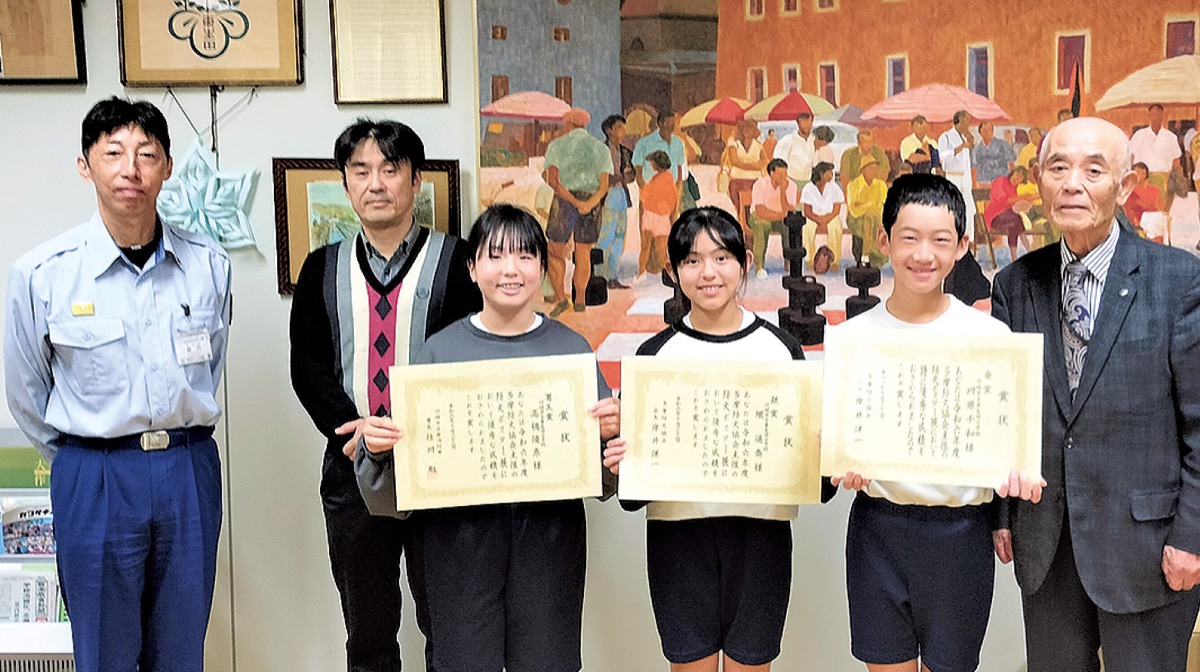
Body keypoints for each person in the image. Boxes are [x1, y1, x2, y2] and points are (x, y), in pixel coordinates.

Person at [4, 97, 232, 672]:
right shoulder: (43, 274)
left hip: (187, 466)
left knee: (181, 650)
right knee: (104, 652)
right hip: (96, 474)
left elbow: (208, 367)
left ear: (167, 167)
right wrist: (81, 459)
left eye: (146, 154)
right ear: (85, 166)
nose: (131, 169)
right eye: (113, 153)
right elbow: (27, 391)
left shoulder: (209, 265)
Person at [354, 204, 620, 672]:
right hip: (458, 541)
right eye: (495, 256)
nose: (510, 270)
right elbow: (400, 488)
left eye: (525, 256)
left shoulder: (571, 351)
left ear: (543, 267)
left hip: (548, 539)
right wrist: (377, 451)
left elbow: (602, 476)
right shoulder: (439, 353)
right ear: (472, 268)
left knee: (548, 663)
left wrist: (612, 441)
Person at [991, 117, 1200, 672]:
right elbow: (1006, 412)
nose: (1072, 184)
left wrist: (1194, 536)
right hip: (1047, 545)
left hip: (1149, 548)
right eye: (1058, 167)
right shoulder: (1015, 284)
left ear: (1125, 185)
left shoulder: (1179, 281)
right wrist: (1003, 513)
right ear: (1039, 180)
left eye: (1093, 170)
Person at [602, 206, 836, 672]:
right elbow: (632, 495)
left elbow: (817, 482)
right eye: (692, 260)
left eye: (721, 258)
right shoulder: (653, 357)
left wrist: (825, 452)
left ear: (744, 263)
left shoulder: (781, 348)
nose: (708, 272)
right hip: (678, 543)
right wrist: (622, 456)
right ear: (673, 272)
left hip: (761, 539)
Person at [289, 118, 481, 672]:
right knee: (368, 632)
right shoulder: (321, 268)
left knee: (449, 627)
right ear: (346, 184)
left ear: (416, 181)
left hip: (442, 471)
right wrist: (351, 432)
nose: (376, 183)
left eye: (391, 169)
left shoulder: (459, 263)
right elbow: (307, 367)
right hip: (352, 467)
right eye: (361, 171)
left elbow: (474, 359)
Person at [832, 173, 1044, 672]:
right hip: (877, 530)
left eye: (940, 240)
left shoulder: (990, 338)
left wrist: (1018, 476)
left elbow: (1010, 438)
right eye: (909, 238)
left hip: (960, 535)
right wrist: (838, 461)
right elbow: (839, 439)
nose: (923, 255)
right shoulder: (852, 339)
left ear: (962, 246)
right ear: (884, 240)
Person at [543, 107, 612, 314]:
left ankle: (561, 299)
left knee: (554, 251)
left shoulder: (557, 145)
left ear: (568, 124)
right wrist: (588, 204)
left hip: (564, 201)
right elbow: (604, 186)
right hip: (591, 202)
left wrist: (573, 201)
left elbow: (553, 181)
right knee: (583, 254)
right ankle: (580, 300)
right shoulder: (600, 148)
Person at [634, 111, 687, 275]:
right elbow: (638, 172)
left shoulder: (678, 143)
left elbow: (679, 170)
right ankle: (649, 267)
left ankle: (666, 267)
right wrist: (647, 193)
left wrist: (677, 193)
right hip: (650, 196)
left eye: (674, 122)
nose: (673, 125)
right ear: (661, 123)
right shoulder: (645, 143)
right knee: (647, 235)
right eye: (670, 122)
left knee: (668, 233)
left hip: (670, 195)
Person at [597, 114, 635, 289]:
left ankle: (612, 276)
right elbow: (596, 175)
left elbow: (632, 174)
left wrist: (627, 176)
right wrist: (611, 178)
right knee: (606, 236)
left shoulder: (625, 151)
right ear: (609, 130)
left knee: (620, 236)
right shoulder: (600, 150)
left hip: (621, 194)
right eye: (619, 127)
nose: (623, 131)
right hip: (607, 194)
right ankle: (600, 276)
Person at [749, 158, 799, 278]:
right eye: (780, 174)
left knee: (790, 225)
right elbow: (760, 212)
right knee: (762, 225)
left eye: (785, 174)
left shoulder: (791, 186)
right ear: (772, 173)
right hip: (759, 217)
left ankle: (789, 262)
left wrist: (782, 192)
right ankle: (759, 266)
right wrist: (782, 214)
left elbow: (789, 211)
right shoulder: (760, 184)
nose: (784, 177)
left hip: (779, 218)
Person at [639, 151, 678, 280]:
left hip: (656, 216)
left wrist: (658, 205)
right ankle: (645, 273)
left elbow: (647, 195)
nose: (651, 165)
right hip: (657, 216)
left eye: (652, 163)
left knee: (652, 247)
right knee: (655, 247)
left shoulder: (664, 179)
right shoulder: (661, 178)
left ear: (658, 164)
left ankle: (644, 273)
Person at [801, 162, 845, 273]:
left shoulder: (834, 188)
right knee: (807, 228)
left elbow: (836, 210)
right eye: (829, 172)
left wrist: (825, 219)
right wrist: (818, 219)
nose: (832, 174)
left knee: (835, 227)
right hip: (813, 217)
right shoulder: (808, 188)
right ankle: (810, 259)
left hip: (830, 216)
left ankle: (834, 261)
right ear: (821, 174)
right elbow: (807, 211)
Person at [846, 156, 889, 268]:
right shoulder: (854, 185)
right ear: (863, 170)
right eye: (871, 168)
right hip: (855, 219)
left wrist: (867, 208)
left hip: (876, 217)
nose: (874, 171)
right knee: (869, 217)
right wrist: (869, 207)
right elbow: (853, 209)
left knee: (871, 218)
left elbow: (883, 206)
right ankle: (866, 254)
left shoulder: (881, 185)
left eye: (875, 168)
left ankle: (867, 256)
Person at [984, 166, 1034, 262]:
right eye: (1016, 175)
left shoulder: (1014, 188)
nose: (1016, 179)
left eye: (1020, 179)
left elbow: (1011, 205)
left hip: (1007, 217)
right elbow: (1002, 201)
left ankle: (1016, 257)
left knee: (1015, 222)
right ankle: (1028, 251)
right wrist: (1021, 198)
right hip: (994, 217)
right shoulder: (1000, 181)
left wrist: (1022, 204)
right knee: (1016, 220)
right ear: (1013, 173)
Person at [1128, 103, 1181, 194]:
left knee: (1160, 202)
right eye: (1153, 115)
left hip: (1163, 178)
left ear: (1162, 116)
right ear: (1149, 116)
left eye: (1158, 115)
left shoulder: (1171, 137)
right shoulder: (1139, 135)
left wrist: (1167, 177)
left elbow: (1176, 161)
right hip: (1142, 179)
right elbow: (1131, 157)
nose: (1155, 118)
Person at [938, 110, 978, 227]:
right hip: (953, 176)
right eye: (966, 120)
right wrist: (961, 147)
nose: (968, 123)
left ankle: (969, 235)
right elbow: (943, 156)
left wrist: (970, 142)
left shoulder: (965, 137)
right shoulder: (946, 137)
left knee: (969, 209)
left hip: (966, 177)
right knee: (954, 207)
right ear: (959, 120)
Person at [723, 120, 768, 226]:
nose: (747, 131)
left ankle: (749, 227)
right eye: (745, 128)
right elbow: (734, 161)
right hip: (737, 180)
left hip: (754, 181)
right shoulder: (734, 144)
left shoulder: (758, 145)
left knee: (752, 207)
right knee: (739, 207)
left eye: (750, 129)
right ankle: (742, 226)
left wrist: (745, 165)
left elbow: (764, 162)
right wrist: (754, 165)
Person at [1123, 162, 1165, 240]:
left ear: (1145, 174)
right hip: (1139, 224)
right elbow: (1128, 211)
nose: (1139, 175)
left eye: (1141, 173)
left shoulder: (1155, 190)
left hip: (1155, 221)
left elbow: (1161, 208)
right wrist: (1136, 224)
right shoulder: (1129, 191)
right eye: (1137, 172)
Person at [774, 112, 816, 189]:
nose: (806, 125)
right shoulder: (787, 140)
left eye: (808, 121)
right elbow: (778, 163)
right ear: (798, 123)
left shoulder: (815, 141)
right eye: (803, 122)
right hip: (791, 183)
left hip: (809, 183)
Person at [972, 120, 1016, 186]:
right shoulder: (976, 149)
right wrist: (975, 184)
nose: (987, 132)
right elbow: (974, 168)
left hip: (1001, 181)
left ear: (992, 131)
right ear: (980, 133)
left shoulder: (1003, 145)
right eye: (984, 130)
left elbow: (1011, 164)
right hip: (983, 182)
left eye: (989, 130)